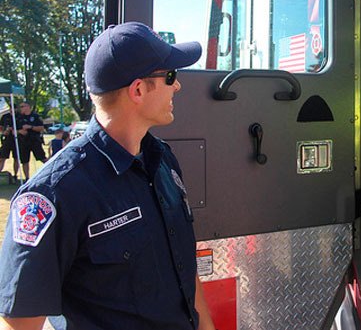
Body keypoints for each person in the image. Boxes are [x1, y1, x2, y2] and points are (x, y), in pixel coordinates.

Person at [0, 22, 215, 330]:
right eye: (170, 76)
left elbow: (184, 273)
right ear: (138, 90)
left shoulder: (162, 160)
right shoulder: (55, 193)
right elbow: (19, 324)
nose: (177, 86)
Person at [16, 101, 47, 180]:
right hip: (23, 141)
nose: (21, 108)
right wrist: (19, 131)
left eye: (23, 106)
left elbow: (41, 128)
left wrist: (30, 127)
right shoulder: (19, 118)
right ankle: (27, 178)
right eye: (21, 107)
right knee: (24, 161)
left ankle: (50, 171)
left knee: (42, 158)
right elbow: (14, 130)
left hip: (34, 141)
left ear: (28, 107)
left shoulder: (35, 116)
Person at [0, 106, 19, 180]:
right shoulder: (5, 116)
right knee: (2, 157)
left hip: (16, 140)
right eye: (11, 108)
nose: (13, 110)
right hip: (6, 140)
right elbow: (1, 127)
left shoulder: (19, 117)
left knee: (16, 158)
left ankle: (15, 175)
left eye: (14, 108)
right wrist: (4, 131)